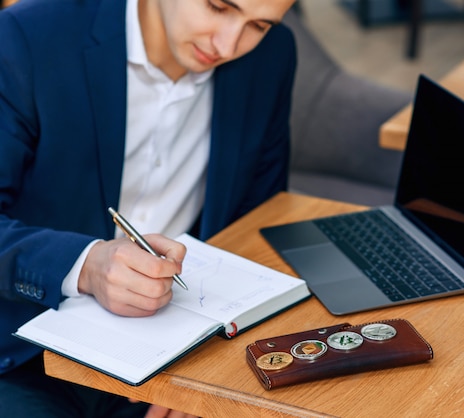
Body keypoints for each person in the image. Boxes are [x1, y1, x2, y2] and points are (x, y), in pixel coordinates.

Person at [0, 0, 296, 416]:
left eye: (259, 25)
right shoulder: (25, 37)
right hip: (22, 354)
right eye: (218, 7)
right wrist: (84, 265)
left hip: (174, 357)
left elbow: (257, 220)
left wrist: (214, 373)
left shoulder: (272, 55)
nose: (228, 44)